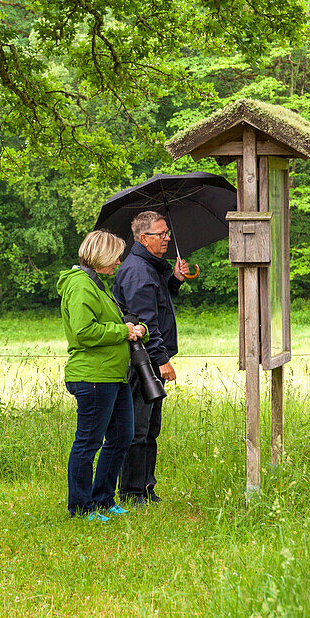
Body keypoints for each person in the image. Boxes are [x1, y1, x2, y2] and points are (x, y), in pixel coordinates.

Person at [57, 230, 147, 522]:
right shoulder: (81, 286)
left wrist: (132, 325)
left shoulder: (96, 284)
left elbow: (105, 322)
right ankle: (81, 508)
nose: (119, 262)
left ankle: (103, 499)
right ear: (100, 256)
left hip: (113, 375)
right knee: (88, 442)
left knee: (122, 437)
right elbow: (84, 332)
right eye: (115, 256)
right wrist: (124, 331)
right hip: (93, 376)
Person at [113, 211, 192, 505]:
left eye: (167, 233)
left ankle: (145, 488)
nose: (167, 238)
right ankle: (133, 492)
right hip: (141, 362)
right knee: (138, 429)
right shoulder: (137, 271)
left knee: (150, 429)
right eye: (161, 234)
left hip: (148, 359)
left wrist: (174, 280)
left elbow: (157, 303)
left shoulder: (150, 268)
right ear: (144, 239)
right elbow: (144, 321)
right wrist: (160, 359)